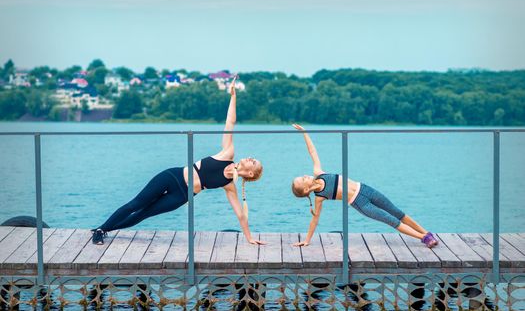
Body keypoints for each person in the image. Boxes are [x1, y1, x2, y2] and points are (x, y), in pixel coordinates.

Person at [91, 76, 265, 246]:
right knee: (135, 204)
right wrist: (233, 96)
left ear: (250, 173)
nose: (251, 158)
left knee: (143, 214)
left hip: (180, 196)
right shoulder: (228, 153)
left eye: (254, 161)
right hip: (172, 177)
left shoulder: (229, 185)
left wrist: (249, 238)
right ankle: (101, 229)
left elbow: (240, 215)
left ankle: (104, 230)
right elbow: (230, 122)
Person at [290, 124, 438, 248]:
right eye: (302, 179)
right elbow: (314, 220)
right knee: (391, 220)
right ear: (306, 189)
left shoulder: (318, 172)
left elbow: (312, 151)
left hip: (366, 189)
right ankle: (424, 238)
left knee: (397, 213)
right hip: (361, 204)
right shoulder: (320, 197)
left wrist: (304, 132)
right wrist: (307, 240)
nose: (304, 175)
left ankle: (427, 233)